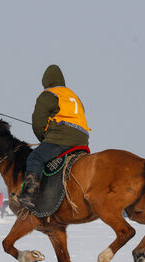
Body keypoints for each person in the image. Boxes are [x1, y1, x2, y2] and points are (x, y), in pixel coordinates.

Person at [17, 64, 90, 209]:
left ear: (45, 81)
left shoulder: (48, 95)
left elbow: (38, 123)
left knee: (35, 158)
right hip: (82, 139)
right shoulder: (73, 96)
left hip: (61, 139)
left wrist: (45, 140)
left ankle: (29, 195)